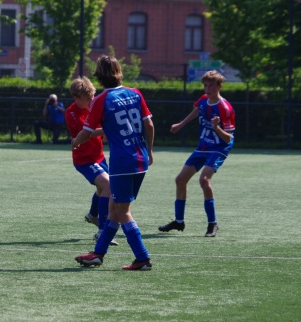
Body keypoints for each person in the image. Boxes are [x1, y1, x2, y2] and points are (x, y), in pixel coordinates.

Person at [73, 55, 155, 271]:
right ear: (119, 72)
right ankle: (98, 254)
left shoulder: (101, 100)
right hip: (140, 159)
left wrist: (75, 141)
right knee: (113, 209)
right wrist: (150, 150)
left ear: (99, 76)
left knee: (122, 211)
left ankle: (142, 258)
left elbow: (86, 132)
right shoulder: (135, 93)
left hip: (122, 163)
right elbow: (150, 126)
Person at [158, 70, 235, 237]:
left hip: (219, 147)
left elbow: (229, 139)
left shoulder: (225, 108)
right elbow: (197, 110)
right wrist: (181, 124)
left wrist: (216, 128)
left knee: (204, 180)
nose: (208, 89)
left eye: (212, 86)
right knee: (180, 179)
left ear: (220, 86)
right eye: (206, 85)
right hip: (203, 146)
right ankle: (179, 222)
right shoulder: (203, 100)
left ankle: (212, 223)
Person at [66, 76, 117, 246]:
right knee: (108, 186)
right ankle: (103, 231)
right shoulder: (71, 113)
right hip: (84, 160)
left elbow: (100, 126)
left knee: (104, 188)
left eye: (92, 98)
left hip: (99, 157)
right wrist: (110, 129)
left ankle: (93, 215)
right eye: (87, 99)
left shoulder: (93, 105)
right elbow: (87, 133)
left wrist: (107, 133)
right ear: (76, 98)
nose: (91, 102)